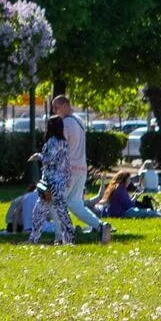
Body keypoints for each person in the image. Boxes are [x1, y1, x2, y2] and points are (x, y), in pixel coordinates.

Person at [50, 95, 109, 242]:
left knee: (55, 202)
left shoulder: (66, 124)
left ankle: (60, 236)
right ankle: (101, 226)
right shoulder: (79, 121)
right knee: (75, 204)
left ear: (65, 105)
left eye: (56, 107)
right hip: (81, 169)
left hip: (67, 170)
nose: (54, 111)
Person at [27, 179, 74, 245]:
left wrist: (47, 192)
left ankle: (62, 238)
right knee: (54, 216)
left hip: (53, 192)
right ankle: (61, 238)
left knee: (56, 216)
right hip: (51, 192)